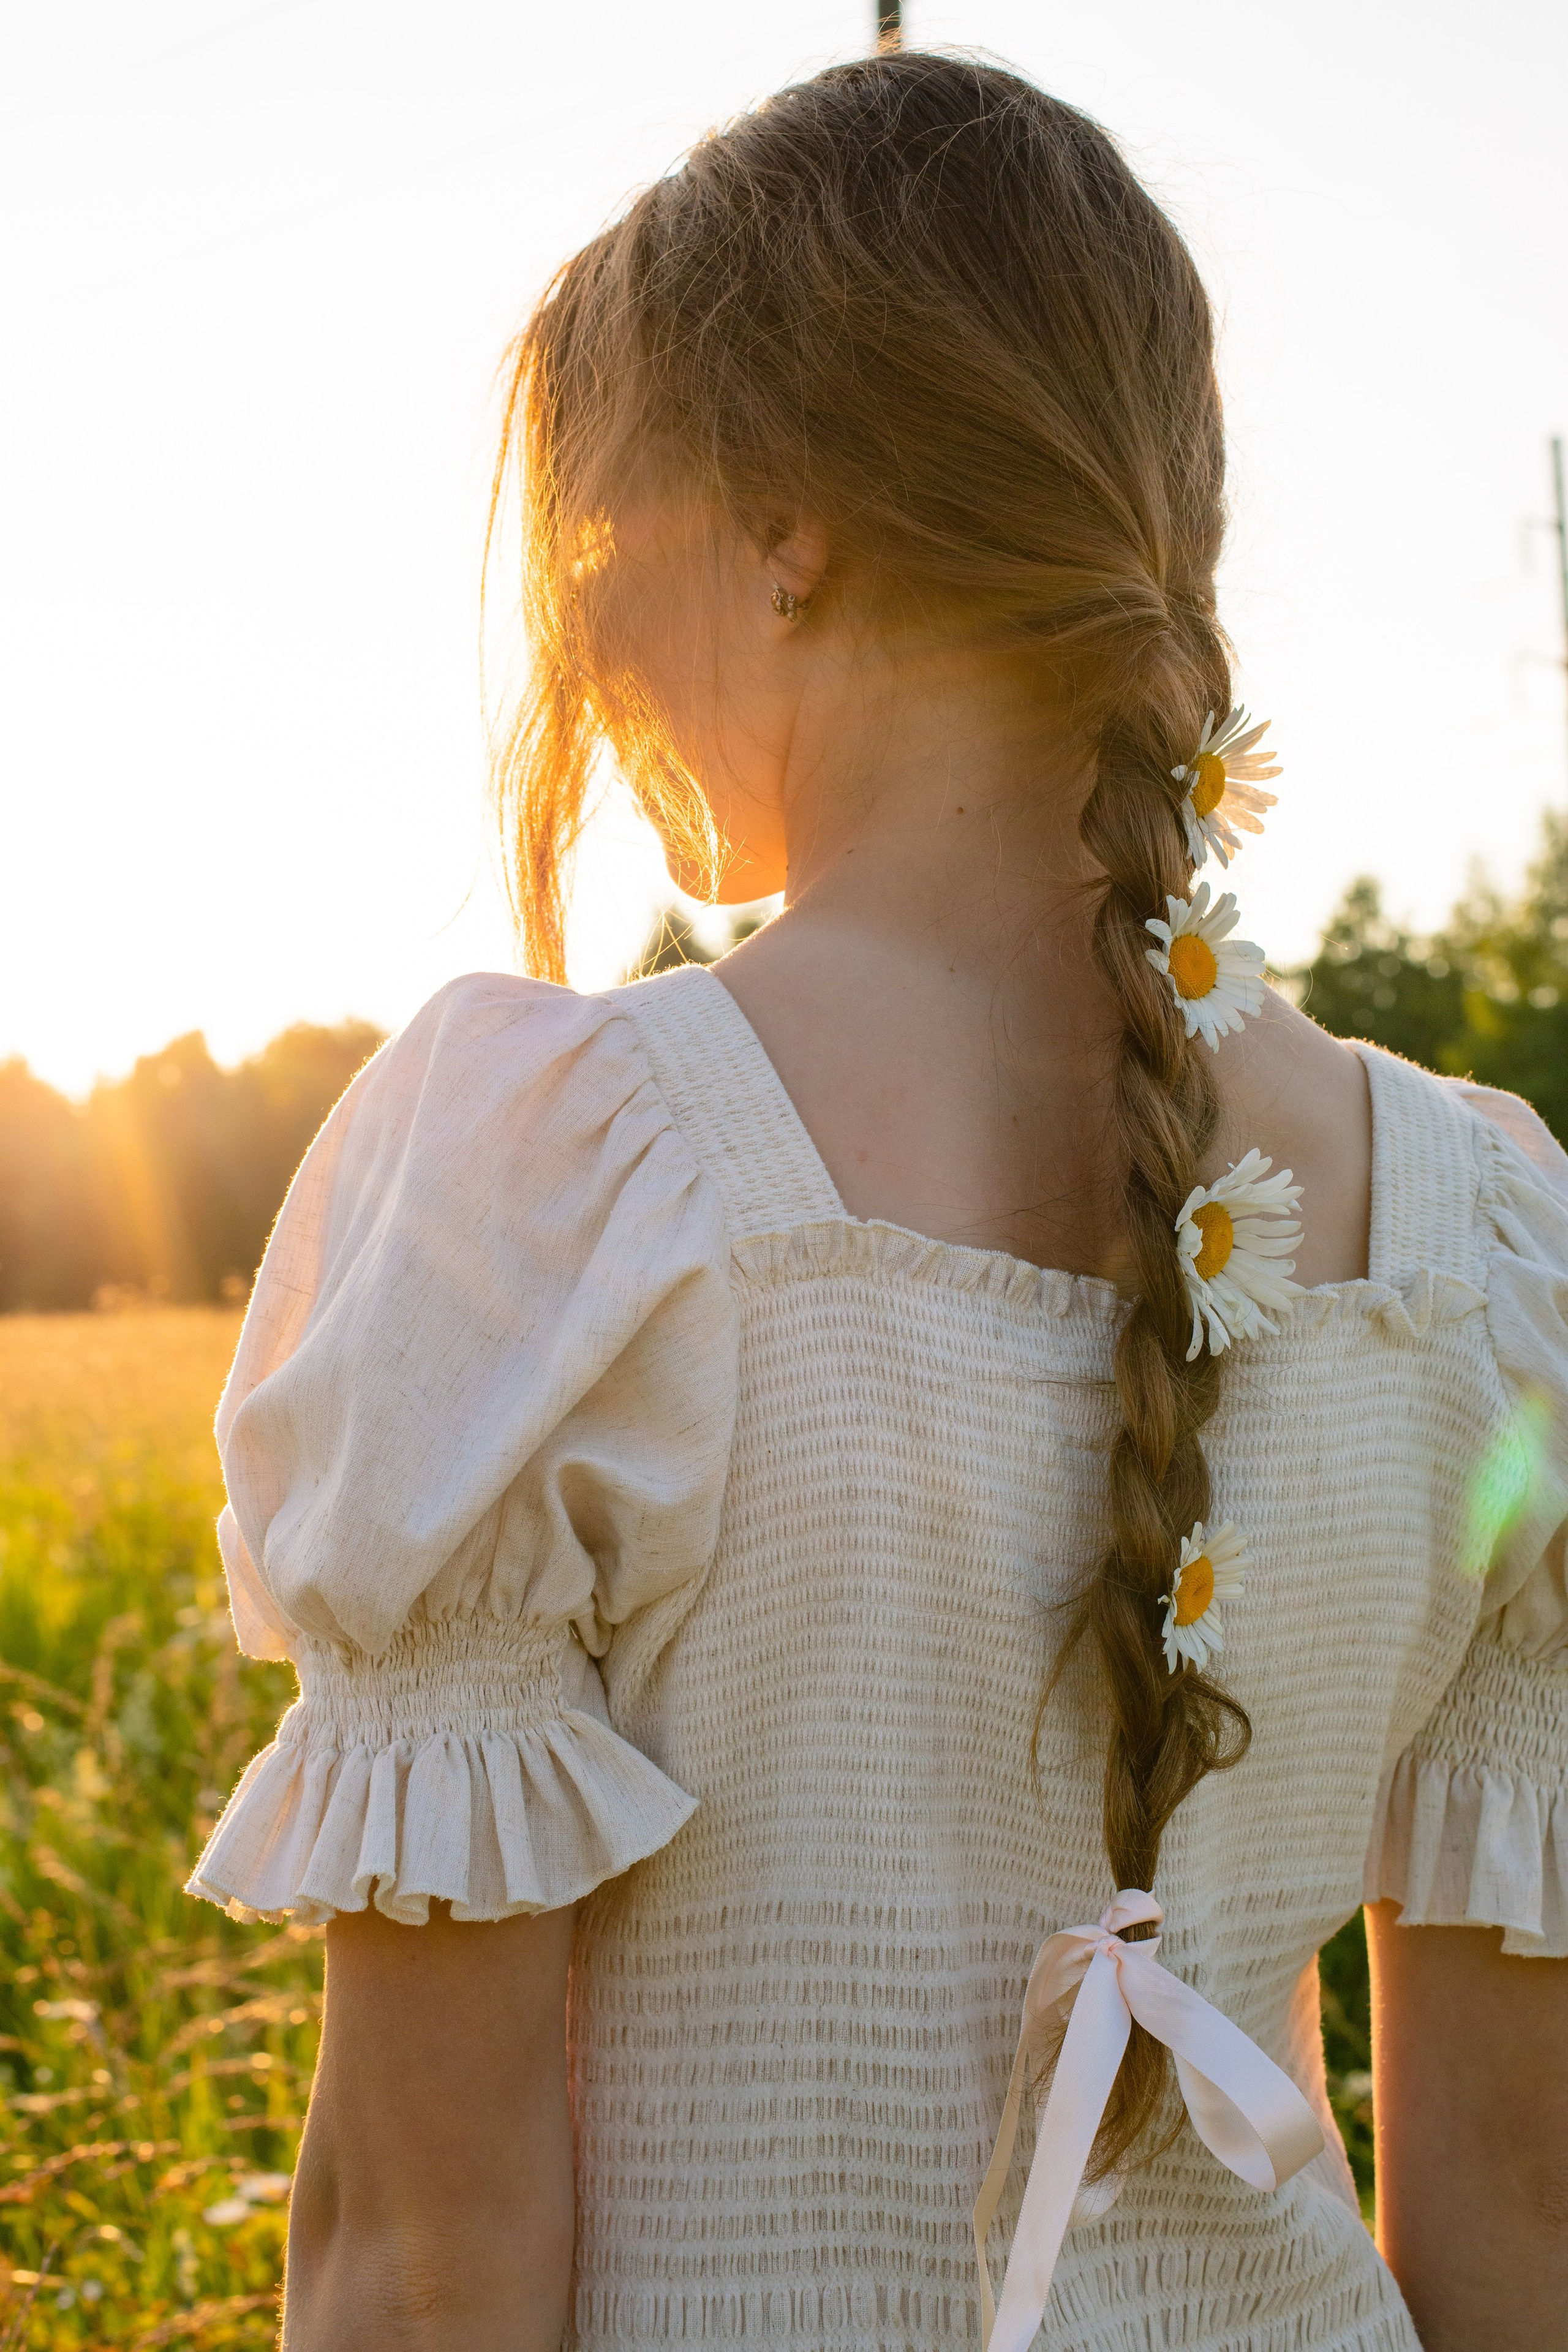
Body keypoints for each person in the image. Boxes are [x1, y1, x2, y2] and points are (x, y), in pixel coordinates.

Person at [188, 51, 1568, 2352]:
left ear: (785, 525)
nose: (591, 644)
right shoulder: (1486, 1254)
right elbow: (1519, 2231)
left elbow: (421, 2263)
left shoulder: (566, 1185)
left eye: (599, 547)